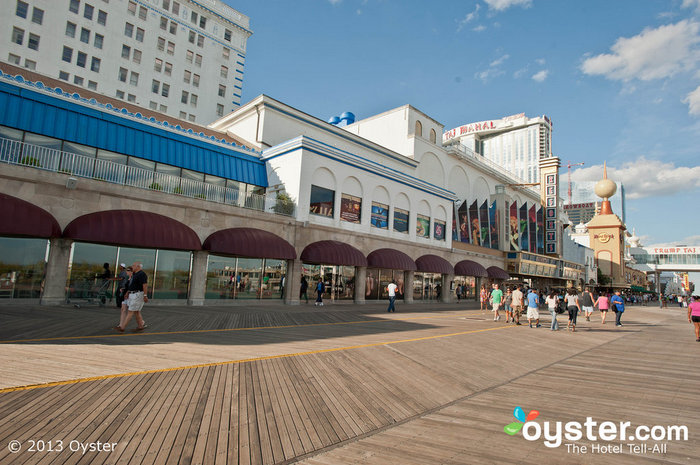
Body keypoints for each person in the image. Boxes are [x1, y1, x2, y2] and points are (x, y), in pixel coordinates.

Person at [114, 261, 148, 332]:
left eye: (133, 265)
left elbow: (144, 285)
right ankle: (140, 326)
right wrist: (127, 292)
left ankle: (122, 327)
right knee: (137, 311)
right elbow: (132, 285)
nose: (132, 267)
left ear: (138, 267)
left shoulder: (142, 274)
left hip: (137, 294)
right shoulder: (135, 274)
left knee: (130, 311)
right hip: (132, 294)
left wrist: (145, 295)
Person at [116, 266, 133, 330]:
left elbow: (132, 287)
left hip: (129, 295)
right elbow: (127, 286)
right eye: (126, 270)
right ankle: (121, 324)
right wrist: (123, 289)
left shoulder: (133, 278)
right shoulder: (128, 278)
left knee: (134, 311)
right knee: (123, 309)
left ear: (131, 271)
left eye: (128, 270)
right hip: (125, 295)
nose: (127, 272)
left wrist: (127, 292)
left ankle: (141, 322)